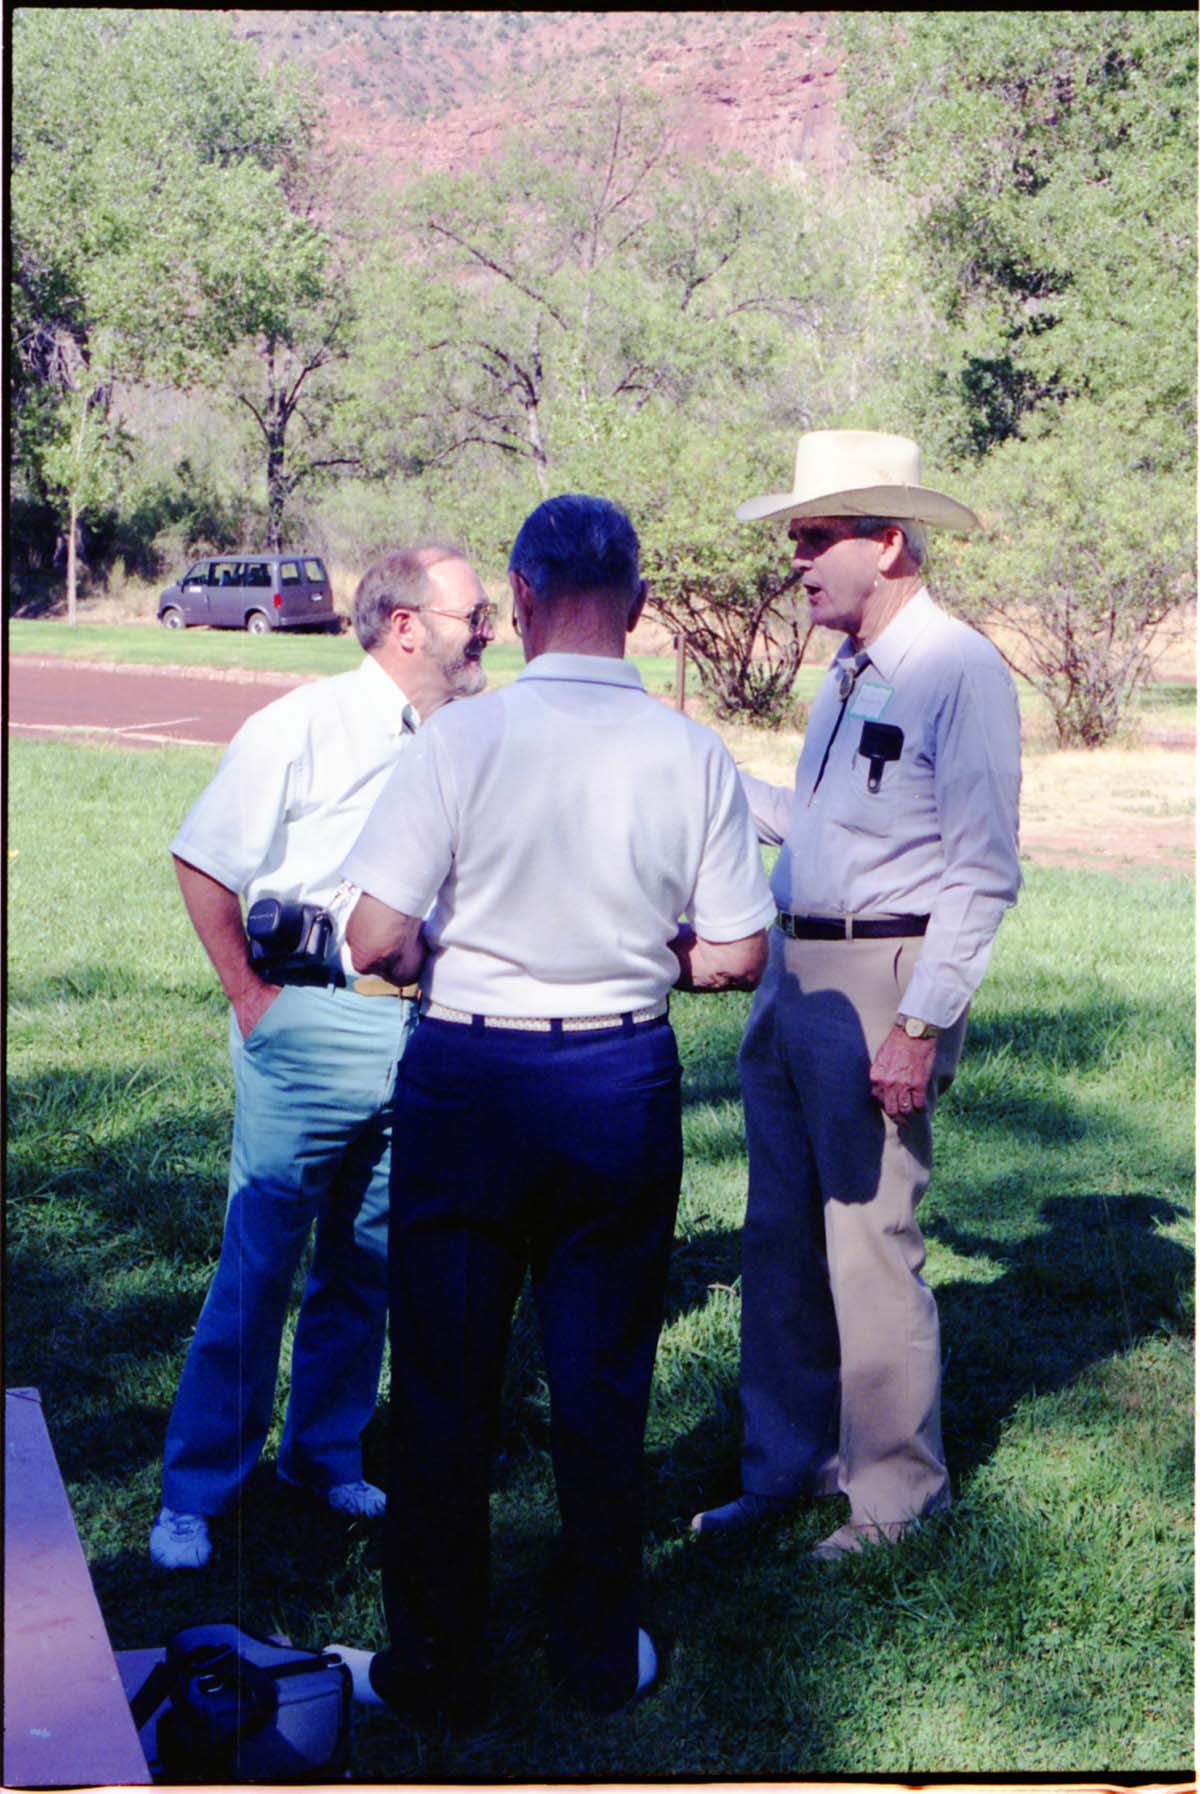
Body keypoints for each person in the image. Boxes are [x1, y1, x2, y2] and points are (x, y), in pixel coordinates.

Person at [326, 494, 776, 1721]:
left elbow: (375, 936)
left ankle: (437, 1662)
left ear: (519, 599)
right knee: (601, 1377)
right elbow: (737, 956)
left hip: (472, 1079)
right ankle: (592, 1650)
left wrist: (449, 947)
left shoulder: (460, 741)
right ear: (635, 605)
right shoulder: (689, 754)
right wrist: (637, 954)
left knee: (444, 1382)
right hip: (614, 1082)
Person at [692, 430, 1022, 1560]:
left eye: (817, 537)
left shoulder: (956, 670)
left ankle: (892, 1494)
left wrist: (922, 1022)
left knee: (870, 1240)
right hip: (791, 975)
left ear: (888, 540)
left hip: (884, 980)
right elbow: (830, 826)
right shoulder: (844, 670)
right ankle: (784, 1466)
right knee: (780, 1235)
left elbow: (981, 871)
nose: (799, 561)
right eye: (795, 538)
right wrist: (705, 775)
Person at [149, 544, 496, 1571]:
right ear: (405, 624)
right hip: (309, 1026)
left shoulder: (469, 736)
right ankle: (197, 1490)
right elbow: (202, 857)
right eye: (472, 614)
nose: (488, 630)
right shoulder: (300, 726)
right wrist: (252, 1003)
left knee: (368, 1264)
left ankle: (323, 1452)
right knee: (261, 1264)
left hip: (422, 1031)